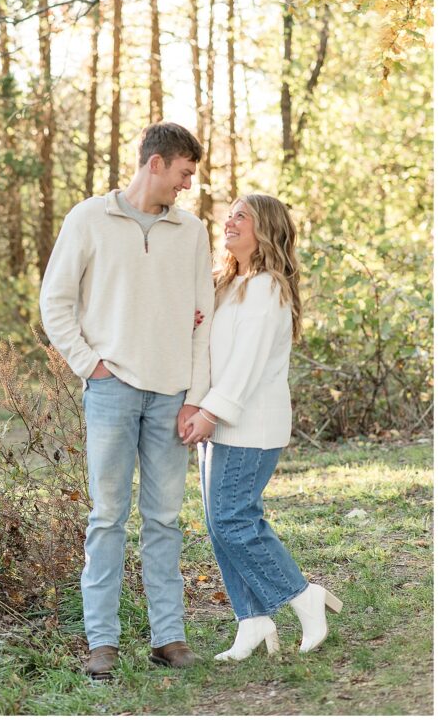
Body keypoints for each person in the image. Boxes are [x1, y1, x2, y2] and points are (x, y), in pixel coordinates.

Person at [39, 122, 214, 679]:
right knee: (107, 517)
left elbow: (203, 321)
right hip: (111, 390)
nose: (188, 185)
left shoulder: (192, 232)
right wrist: (91, 364)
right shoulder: (88, 219)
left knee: (164, 519)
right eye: (184, 173)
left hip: (171, 396)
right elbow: (56, 302)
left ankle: (169, 637)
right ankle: (102, 642)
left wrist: (196, 397)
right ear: (156, 163)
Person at [182, 194, 343, 661]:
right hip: (214, 420)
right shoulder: (227, 283)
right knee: (219, 525)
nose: (229, 221)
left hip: (248, 424)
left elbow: (247, 364)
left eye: (242, 216)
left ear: (265, 229)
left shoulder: (269, 287)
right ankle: (252, 620)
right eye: (229, 214)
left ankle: (300, 594)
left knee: (234, 519)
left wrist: (210, 413)